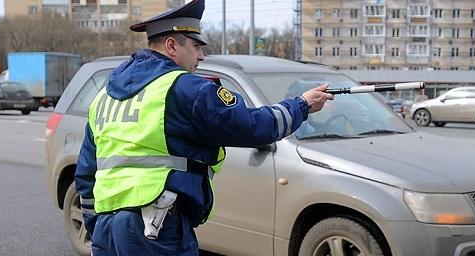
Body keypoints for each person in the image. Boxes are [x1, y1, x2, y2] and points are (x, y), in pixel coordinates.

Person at [73, 0, 333, 255]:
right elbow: (253, 126)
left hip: (107, 228)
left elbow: (86, 172)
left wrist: (96, 227)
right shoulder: (185, 88)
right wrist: (301, 105)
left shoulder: (104, 96)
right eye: (196, 46)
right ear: (172, 46)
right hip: (155, 226)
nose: (202, 55)